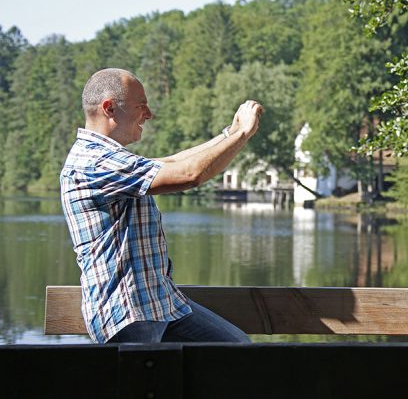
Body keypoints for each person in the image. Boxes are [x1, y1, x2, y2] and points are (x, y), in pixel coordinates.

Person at [60, 68, 262, 344]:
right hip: (128, 312)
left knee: (237, 349)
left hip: (161, 304)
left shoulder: (108, 158)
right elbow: (189, 175)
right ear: (109, 108)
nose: (149, 114)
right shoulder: (94, 162)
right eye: (141, 106)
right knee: (151, 384)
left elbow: (171, 163)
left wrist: (231, 132)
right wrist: (243, 135)